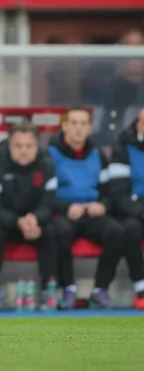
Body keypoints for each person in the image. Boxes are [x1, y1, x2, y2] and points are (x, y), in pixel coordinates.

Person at [48, 106, 124, 309]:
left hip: (92, 212)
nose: (78, 128)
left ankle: (100, 289)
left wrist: (103, 205)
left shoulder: (98, 154)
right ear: (64, 126)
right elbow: (44, 194)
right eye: (73, 123)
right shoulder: (50, 154)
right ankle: (68, 289)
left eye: (83, 124)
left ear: (90, 128)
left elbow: (109, 192)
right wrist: (66, 207)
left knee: (116, 231)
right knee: (59, 231)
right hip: (65, 212)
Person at [0, 122, 58, 304]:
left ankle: (50, 289)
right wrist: (18, 222)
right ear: (9, 145)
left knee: (53, 231)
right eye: (18, 146)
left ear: (37, 146)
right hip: (6, 222)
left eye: (29, 146)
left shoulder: (47, 166)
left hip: (34, 223)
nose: (24, 151)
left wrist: (34, 218)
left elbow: (48, 204)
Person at [108, 109, 144, 309]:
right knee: (131, 229)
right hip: (133, 207)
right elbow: (118, 192)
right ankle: (141, 287)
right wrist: (140, 211)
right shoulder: (123, 147)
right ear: (138, 124)